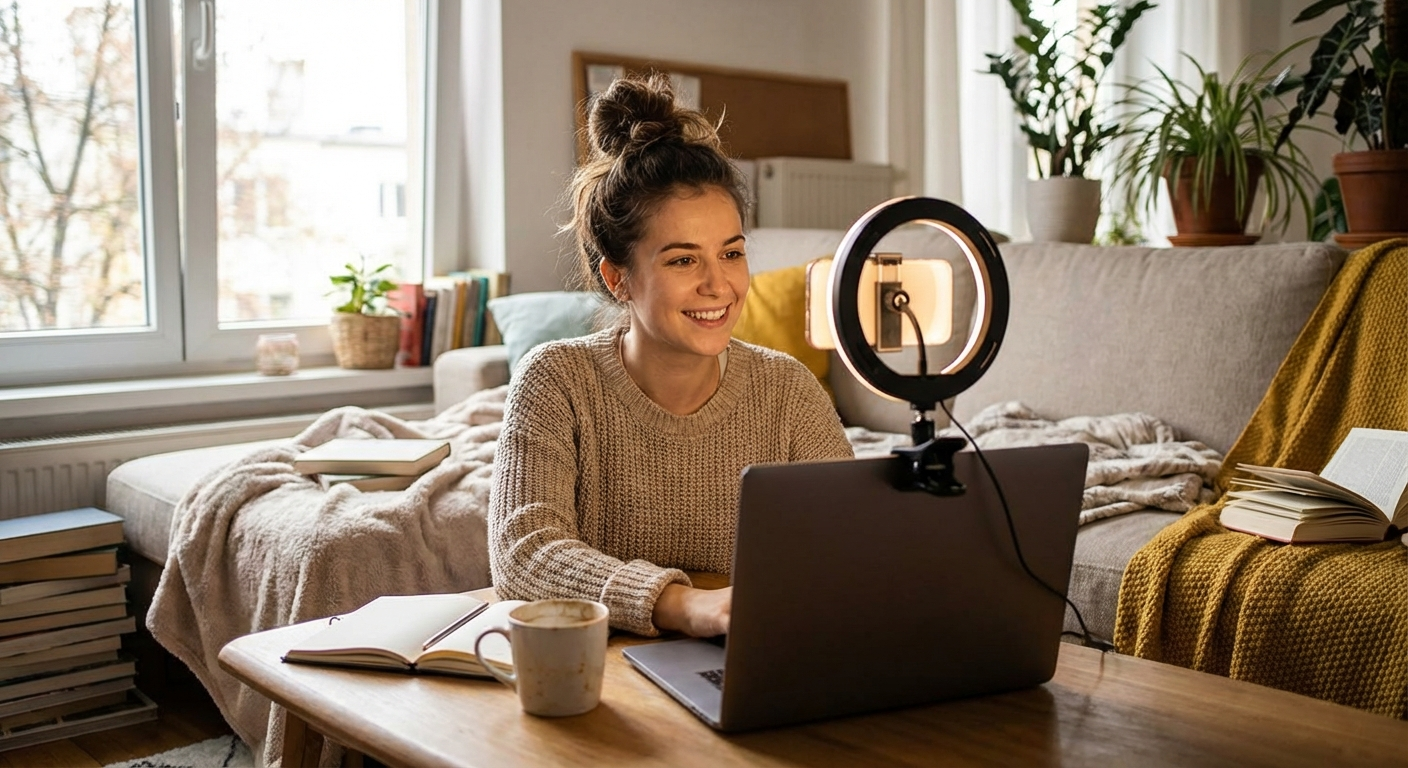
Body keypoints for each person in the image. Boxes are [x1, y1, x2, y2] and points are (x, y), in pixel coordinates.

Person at [488, 74, 853, 638]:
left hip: (747, 655)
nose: (718, 285)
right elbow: (524, 553)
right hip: (600, 664)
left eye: (731, 253)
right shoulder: (556, 380)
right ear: (618, 278)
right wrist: (682, 605)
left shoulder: (787, 390)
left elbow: (852, 543)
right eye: (683, 260)